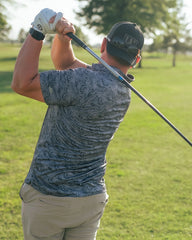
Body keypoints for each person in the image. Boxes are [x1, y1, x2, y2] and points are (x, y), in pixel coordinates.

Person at [11, 8, 144, 240]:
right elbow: (66, 63)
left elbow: (23, 83)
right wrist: (63, 38)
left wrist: (37, 31)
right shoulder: (124, 92)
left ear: (103, 43)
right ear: (137, 58)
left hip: (49, 198)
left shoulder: (83, 81)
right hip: (90, 200)